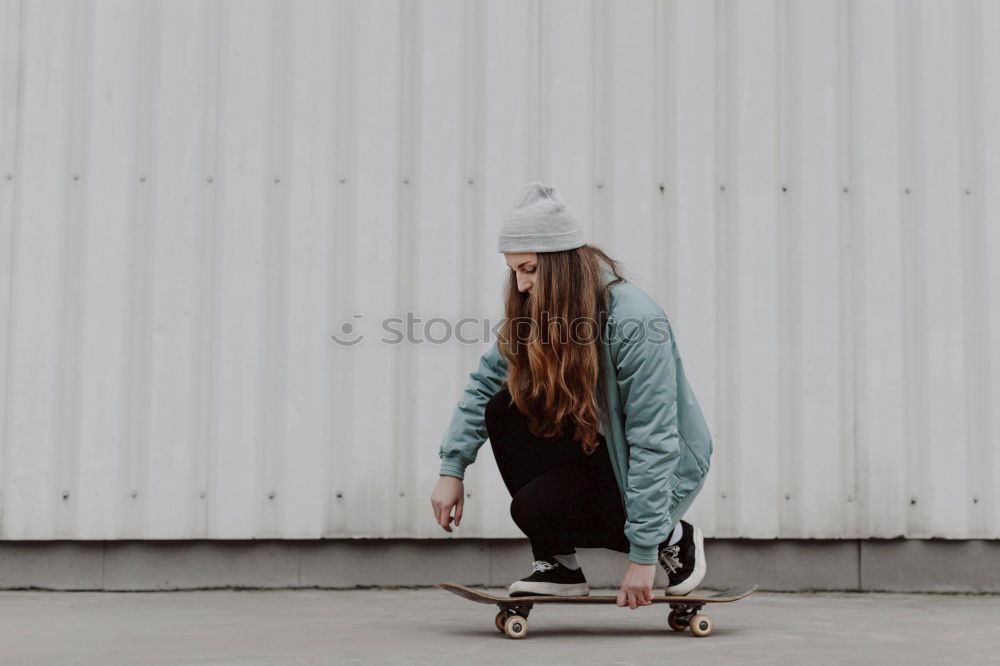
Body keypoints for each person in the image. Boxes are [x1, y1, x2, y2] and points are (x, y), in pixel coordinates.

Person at [430, 181, 713, 610]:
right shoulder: (539, 315)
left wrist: (642, 556)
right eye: (515, 272)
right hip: (601, 451)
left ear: (561, 265)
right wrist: (452, 467)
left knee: (578, 498)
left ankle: (674, 537)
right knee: (506, 409)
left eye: (530, 270)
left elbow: (653, 439)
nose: (521, 285)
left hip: (661, 464)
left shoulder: (634, 320)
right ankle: (558, 564)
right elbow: (486, 381)